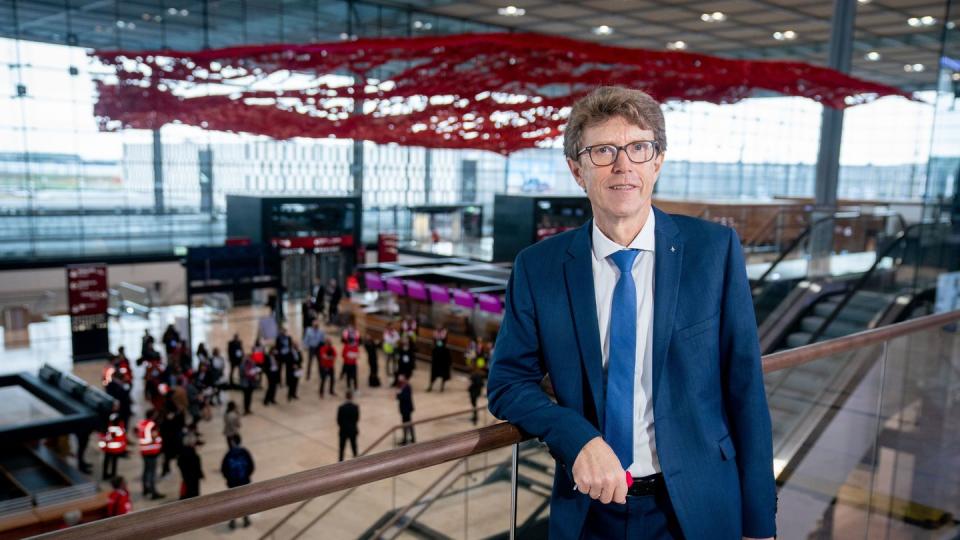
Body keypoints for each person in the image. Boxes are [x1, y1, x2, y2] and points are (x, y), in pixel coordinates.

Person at [486, 86, 776, 540]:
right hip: (590, 509)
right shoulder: (538, 268)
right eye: (603, 151)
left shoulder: (712, 251)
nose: (623, 166)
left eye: (638, 148)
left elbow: (746, 388)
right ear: (577, 170)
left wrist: (760, 524)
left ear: (657, 161)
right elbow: (507, 384)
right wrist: (575, 436)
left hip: (698, 506)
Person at [221, 435, 255, 529]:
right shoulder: (245, 452)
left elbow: (224, 469)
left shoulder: (229, 454)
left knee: (233, 502)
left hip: (233, 484)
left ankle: (233, 521)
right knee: (244, 501)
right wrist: (247, 476)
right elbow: (251, 466)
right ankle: (246, 519)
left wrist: (228, 479)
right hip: (244, 482)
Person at [137, 410, 165, 500]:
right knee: (152, 473)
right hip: (152, 452)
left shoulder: (142, 423)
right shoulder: (152, 425)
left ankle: (145, 489)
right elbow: (154, 437)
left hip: (144, 451)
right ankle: (153, 492)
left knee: (145, 471)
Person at [98, 411, 127, 479]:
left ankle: (104, 475)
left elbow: (103, 437)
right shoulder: (120, 428)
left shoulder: (108, 427)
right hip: (116, 449)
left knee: (106, 461)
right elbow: (123, 438)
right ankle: (113, 475)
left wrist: (103, 446)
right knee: (114, 462)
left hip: (108, 448)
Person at [177, 431, 204, 499]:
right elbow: (197, 467)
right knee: (193, 494)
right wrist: (200, 474)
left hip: (186, 478)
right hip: (193, 479)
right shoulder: (194, 455)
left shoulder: (181, 454)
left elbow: (179, 465)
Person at [336, 391, 360, 461]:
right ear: (351, 397)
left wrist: (343, 426)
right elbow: (356, 419)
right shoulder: (355, 407)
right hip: (352, 430)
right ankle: (356, 462)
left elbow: (338, 420)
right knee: (354, 448)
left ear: (345, 397)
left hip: (343, 431)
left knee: (342, 449)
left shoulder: (341, 408)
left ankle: (340, 463)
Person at [427, 327, 451, 392]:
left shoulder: (445, 332)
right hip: (436, 354)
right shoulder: (435, 332)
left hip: (443, 355)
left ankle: (442, 386)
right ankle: (430, 386)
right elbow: (434, 342)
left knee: (443, 372)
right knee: (434, 372)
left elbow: (444, 341)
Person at [395, 375, 415, 445]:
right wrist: (398, 394)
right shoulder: (401, 387)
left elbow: (405, 398)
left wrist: (399, 394)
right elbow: (397, 397)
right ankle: (407, 438)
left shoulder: (407, 387)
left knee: (408, 424)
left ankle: (410, 439)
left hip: (407, 409)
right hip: (403, 409)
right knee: (406, 424)